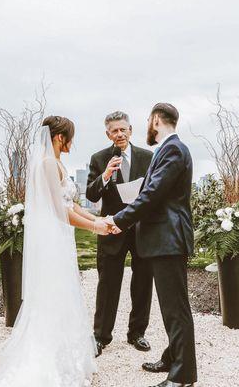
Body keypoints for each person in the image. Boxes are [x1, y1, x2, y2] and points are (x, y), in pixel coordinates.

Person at [0, 116, 112, 386]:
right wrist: (95, 228)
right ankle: (51, 361)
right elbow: (60, 211)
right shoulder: (47, 164)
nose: (72, 143)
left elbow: (72, 205)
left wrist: (98, 220)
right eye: (70, 137)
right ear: (59, 137)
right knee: (54, 296)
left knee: (61, 294)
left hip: (60, 241)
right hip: (55, 242)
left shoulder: (54, 163)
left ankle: (67, 356)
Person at [106, 103, 197, 387]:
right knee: (170, 306)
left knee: (176, 308)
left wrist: (119, 220)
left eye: (148, 120)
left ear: (156, 120)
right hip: (163, 239)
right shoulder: (169, 150)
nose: (148, 125)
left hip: (168, 239)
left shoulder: (173, 149)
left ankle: (183, 375)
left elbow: (153, 195)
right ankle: (172, 357)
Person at [86, 111, 154, 356]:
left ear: (131, 130)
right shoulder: (99, 158)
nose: (119, 134)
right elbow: (91, 195)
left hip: (141, 228)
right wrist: (105, 175)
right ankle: (101, 337)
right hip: (111, 229)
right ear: (108, 134)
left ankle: (137, 333)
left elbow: (155, 190)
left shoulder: (148, 157)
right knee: (108, 284)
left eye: (123, 129)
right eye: (114, 130)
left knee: (144, 281)